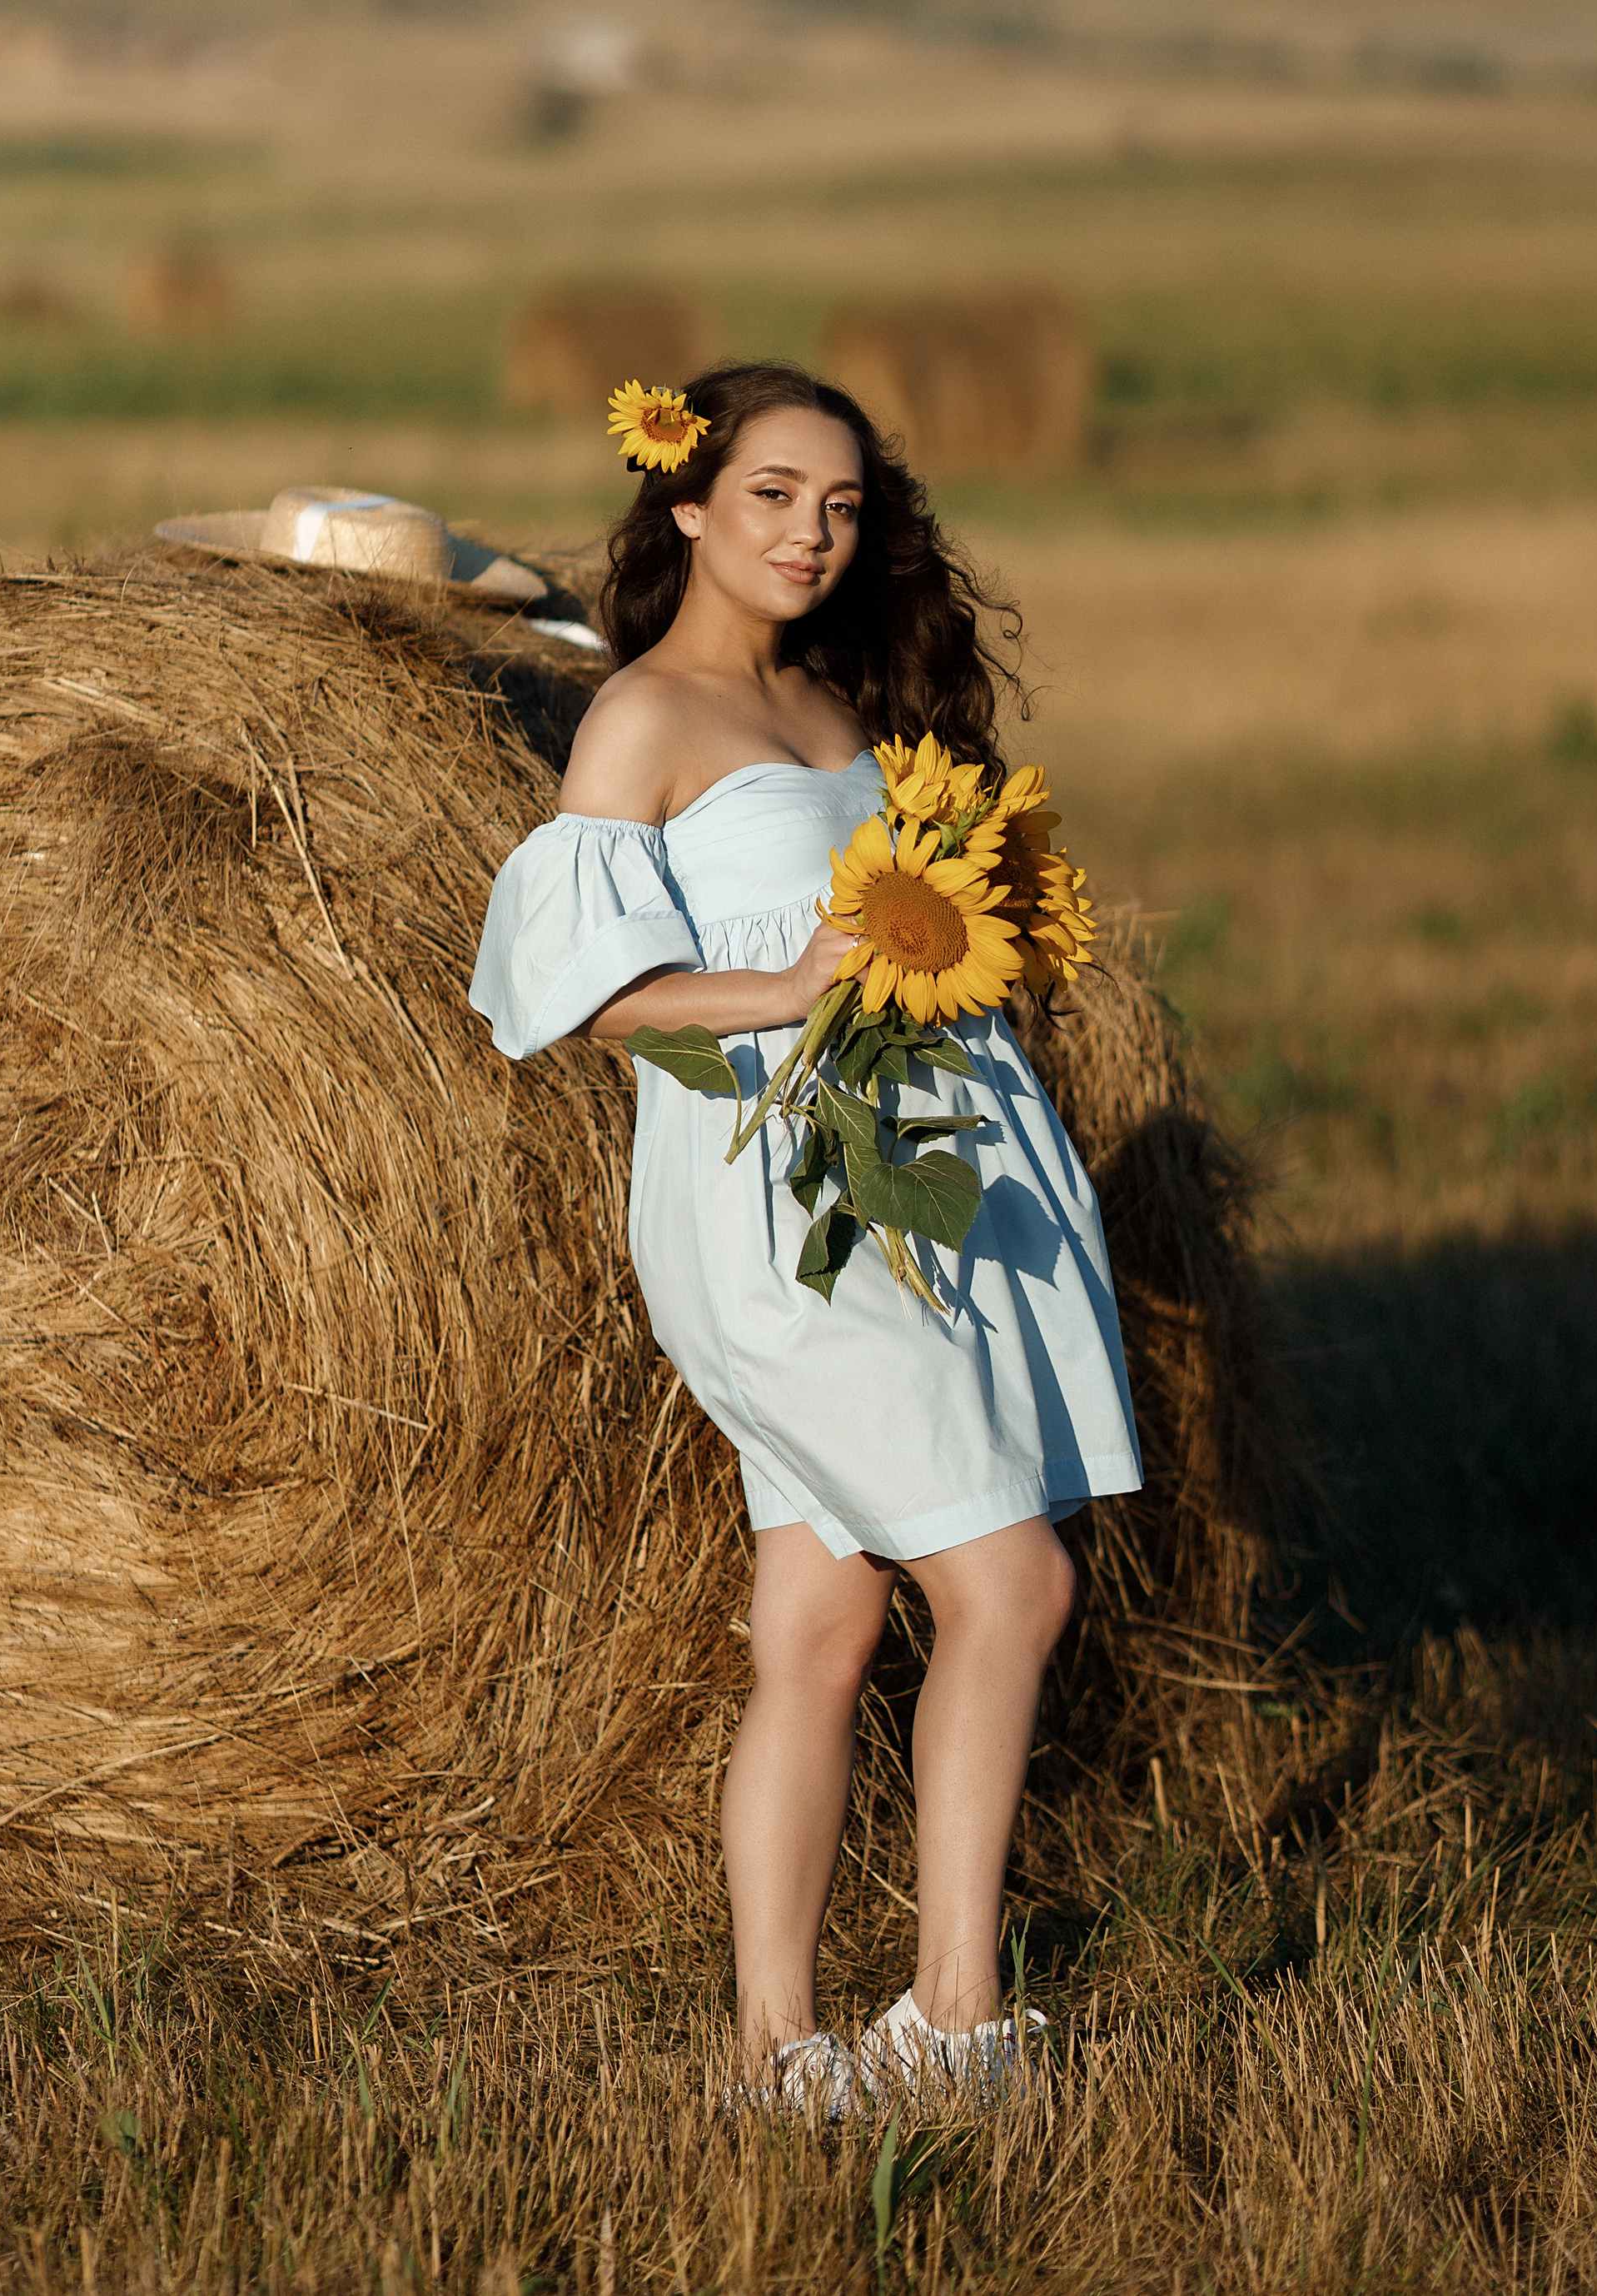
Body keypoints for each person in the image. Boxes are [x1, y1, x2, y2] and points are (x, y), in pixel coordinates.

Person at [468, 362, 1142, 2112]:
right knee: (1012, 1578)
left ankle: (776, 2048)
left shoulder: (848, 712)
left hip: (917, 1174)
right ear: (685, 504)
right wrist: (783, 985)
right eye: (770, 494)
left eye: (839, 506)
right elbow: (578, 994)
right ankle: (957, 2018)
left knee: (821, 1629)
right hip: (773, 1201)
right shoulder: (641, 720)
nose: (807, 534)